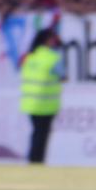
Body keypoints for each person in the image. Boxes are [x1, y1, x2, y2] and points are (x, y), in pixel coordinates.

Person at [19, 27, 64, 164]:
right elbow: (61, 75)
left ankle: (33, 159)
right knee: (42, 134)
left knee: (36, 132)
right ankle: (37, 161)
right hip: (46, 103)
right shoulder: (53, 58)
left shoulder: (29, 57)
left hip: (30, 102)